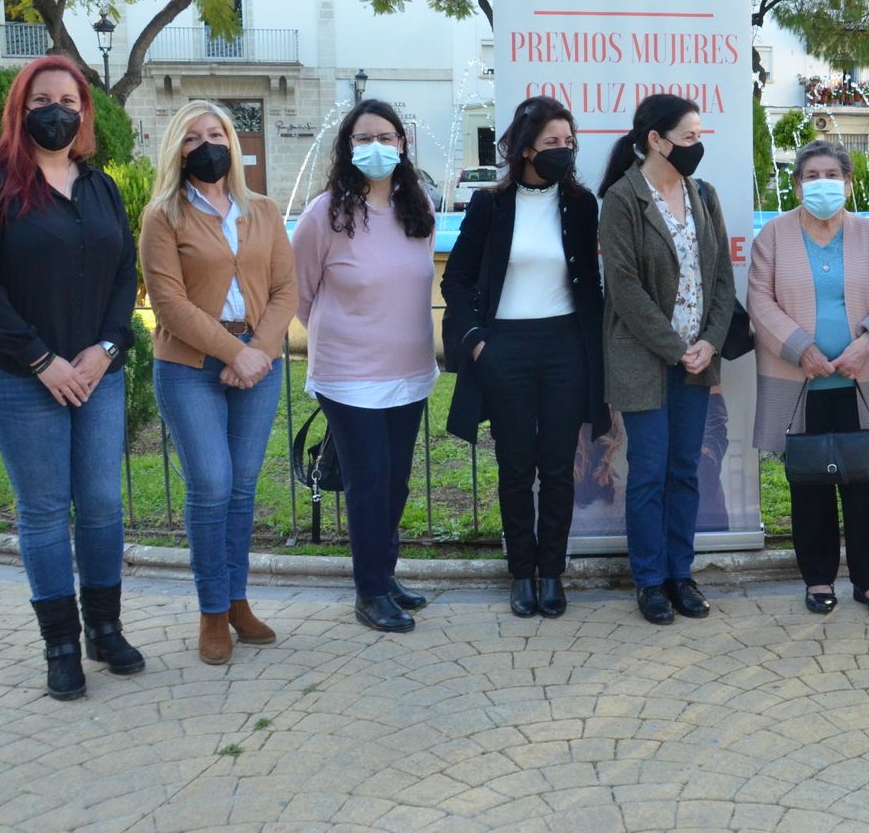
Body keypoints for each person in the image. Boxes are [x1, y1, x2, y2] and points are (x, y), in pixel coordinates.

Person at [0, 56, 141, 700]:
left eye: (68, 100)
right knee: (44, 509)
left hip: (96, 372)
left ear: (84, 111)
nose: (56, 111)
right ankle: (60, 644)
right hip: (18, 374)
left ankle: (105, 629)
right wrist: (41, 360)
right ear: (20, 109)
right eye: (41, 101)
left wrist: (106, 349)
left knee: (103, 503)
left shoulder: (100, 188)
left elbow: (124, 273)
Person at [140, 100, 296, 664]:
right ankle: (211, 611)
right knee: (211, 485)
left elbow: (286, 290)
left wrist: (257, 352)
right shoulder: (163, 216)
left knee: (242, 487)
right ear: (177, 151)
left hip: (258, 361)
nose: (205, 145)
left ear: (231, 141)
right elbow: (169, 304)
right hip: (189, 368)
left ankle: (237, 600)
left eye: (215, 134)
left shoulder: (264, 210)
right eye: (191, 138)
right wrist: (236, 354)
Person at [443, 96, 609, 619]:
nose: (564, 149)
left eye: (569, 142)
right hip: (506, 349)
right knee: (516, 469)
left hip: (565, 347)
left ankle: (552, 573)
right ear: (526, 149)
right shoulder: (490, 204)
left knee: (559, 469)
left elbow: (591, 286)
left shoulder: (581, 204)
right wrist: (476, 340)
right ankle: (521, 571)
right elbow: (456, 279)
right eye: (552, 141)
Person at [292, 99, 439, 633]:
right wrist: (347, 333)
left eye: (386, 137)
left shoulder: (417, 210)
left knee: (395, 482)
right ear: (347, 147)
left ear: (402, 144)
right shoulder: (324, 215)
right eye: (363, 138)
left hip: (409, 371)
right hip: (349, 376)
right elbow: (301, 293)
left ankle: (385, 574)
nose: (376, 147)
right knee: (369, 481)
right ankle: (369, 591)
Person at [748, 140, 869, 617]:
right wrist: (801, 348)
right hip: (800, 383)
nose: (823, 184)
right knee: (809, 484)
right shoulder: (773, 236)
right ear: (798, 186)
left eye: (832, 175)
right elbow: (760, 301)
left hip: (863, 380)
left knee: (867, 485)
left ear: (848, 183)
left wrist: (866, 342)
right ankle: (818, 580)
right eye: (812, 176)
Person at [598, 94, 734, 625]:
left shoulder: (704, 194)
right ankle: (650, 581)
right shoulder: (623, 198)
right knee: (649, 473)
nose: (697, 146)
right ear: (656, 140)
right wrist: (678, 349)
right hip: (646, 360)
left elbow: (721, 279)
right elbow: (624, 289)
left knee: (685, 470)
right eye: (688, 137)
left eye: (700, 136)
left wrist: (710, 343)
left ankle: (681, 573)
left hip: (699, 360)